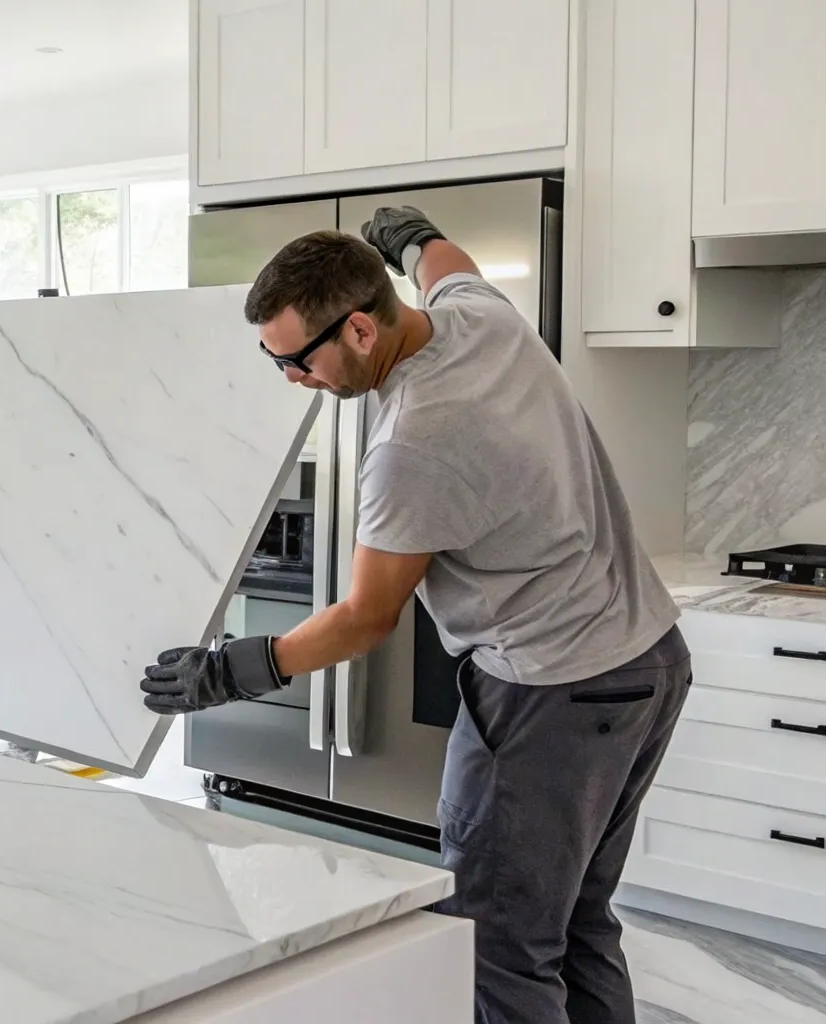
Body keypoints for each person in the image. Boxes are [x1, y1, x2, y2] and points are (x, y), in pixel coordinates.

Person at [140, 209, 688, 1024]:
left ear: (361, 328)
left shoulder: (413, 447)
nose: (291, 378)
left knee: (495, 946)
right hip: (646, 661)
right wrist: (410, 235)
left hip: (550, 694)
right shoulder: (480, 314)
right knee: (572, 924)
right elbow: (444, 261)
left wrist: (231, 669)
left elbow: (367, 616)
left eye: (297, 359)